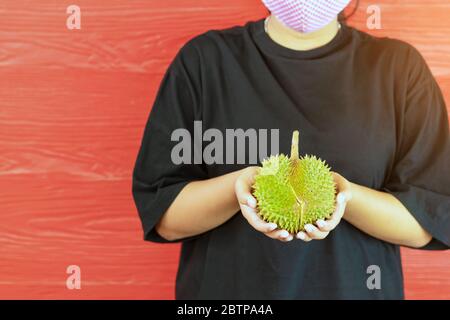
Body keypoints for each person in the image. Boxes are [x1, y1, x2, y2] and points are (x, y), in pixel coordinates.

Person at [132, 0, 450, 299]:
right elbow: (163, 215)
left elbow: (428, 220)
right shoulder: (204, 61)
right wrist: (238, 187)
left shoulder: (399, 68)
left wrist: (343, 194)